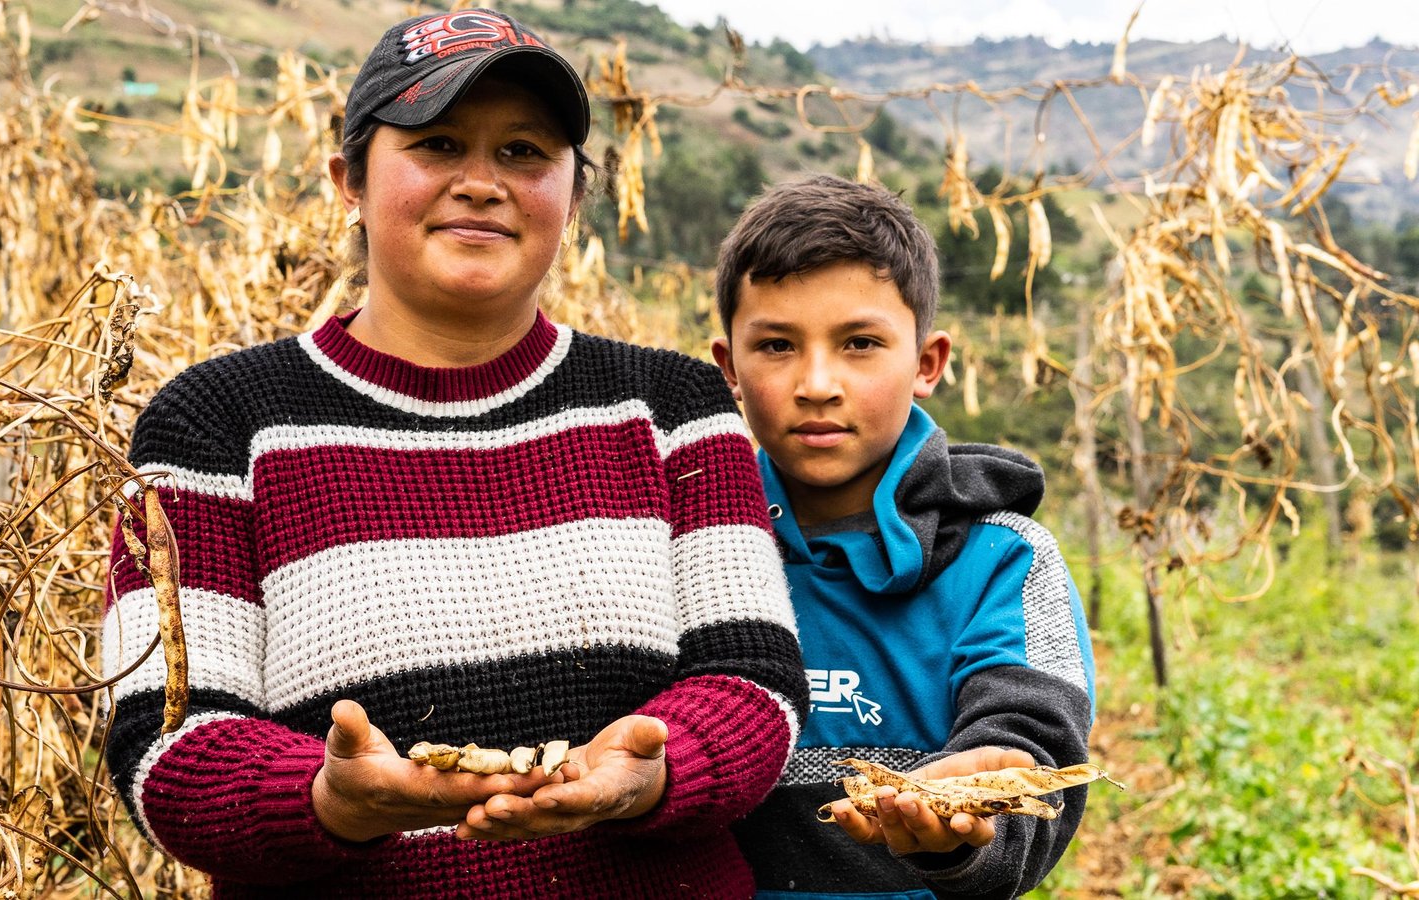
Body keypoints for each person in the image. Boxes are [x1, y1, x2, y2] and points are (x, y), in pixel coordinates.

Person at [100, 9, 806, 897]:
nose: (481, 183)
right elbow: (164, 746)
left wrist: (654, 770)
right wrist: (331, 799)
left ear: (572, 197)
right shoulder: (214, 424)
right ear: (350, 182)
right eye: (436, 145)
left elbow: (755, 683)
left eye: (523, 151)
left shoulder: (672, 408)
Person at [711, 174, 1096, 899]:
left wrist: (968, 820)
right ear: (728, 366)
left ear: (927, 363)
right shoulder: (697, 546)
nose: (817, 383)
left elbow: (1030, 746)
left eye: (859, 343)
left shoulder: (1004, 560)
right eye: (777, 345)